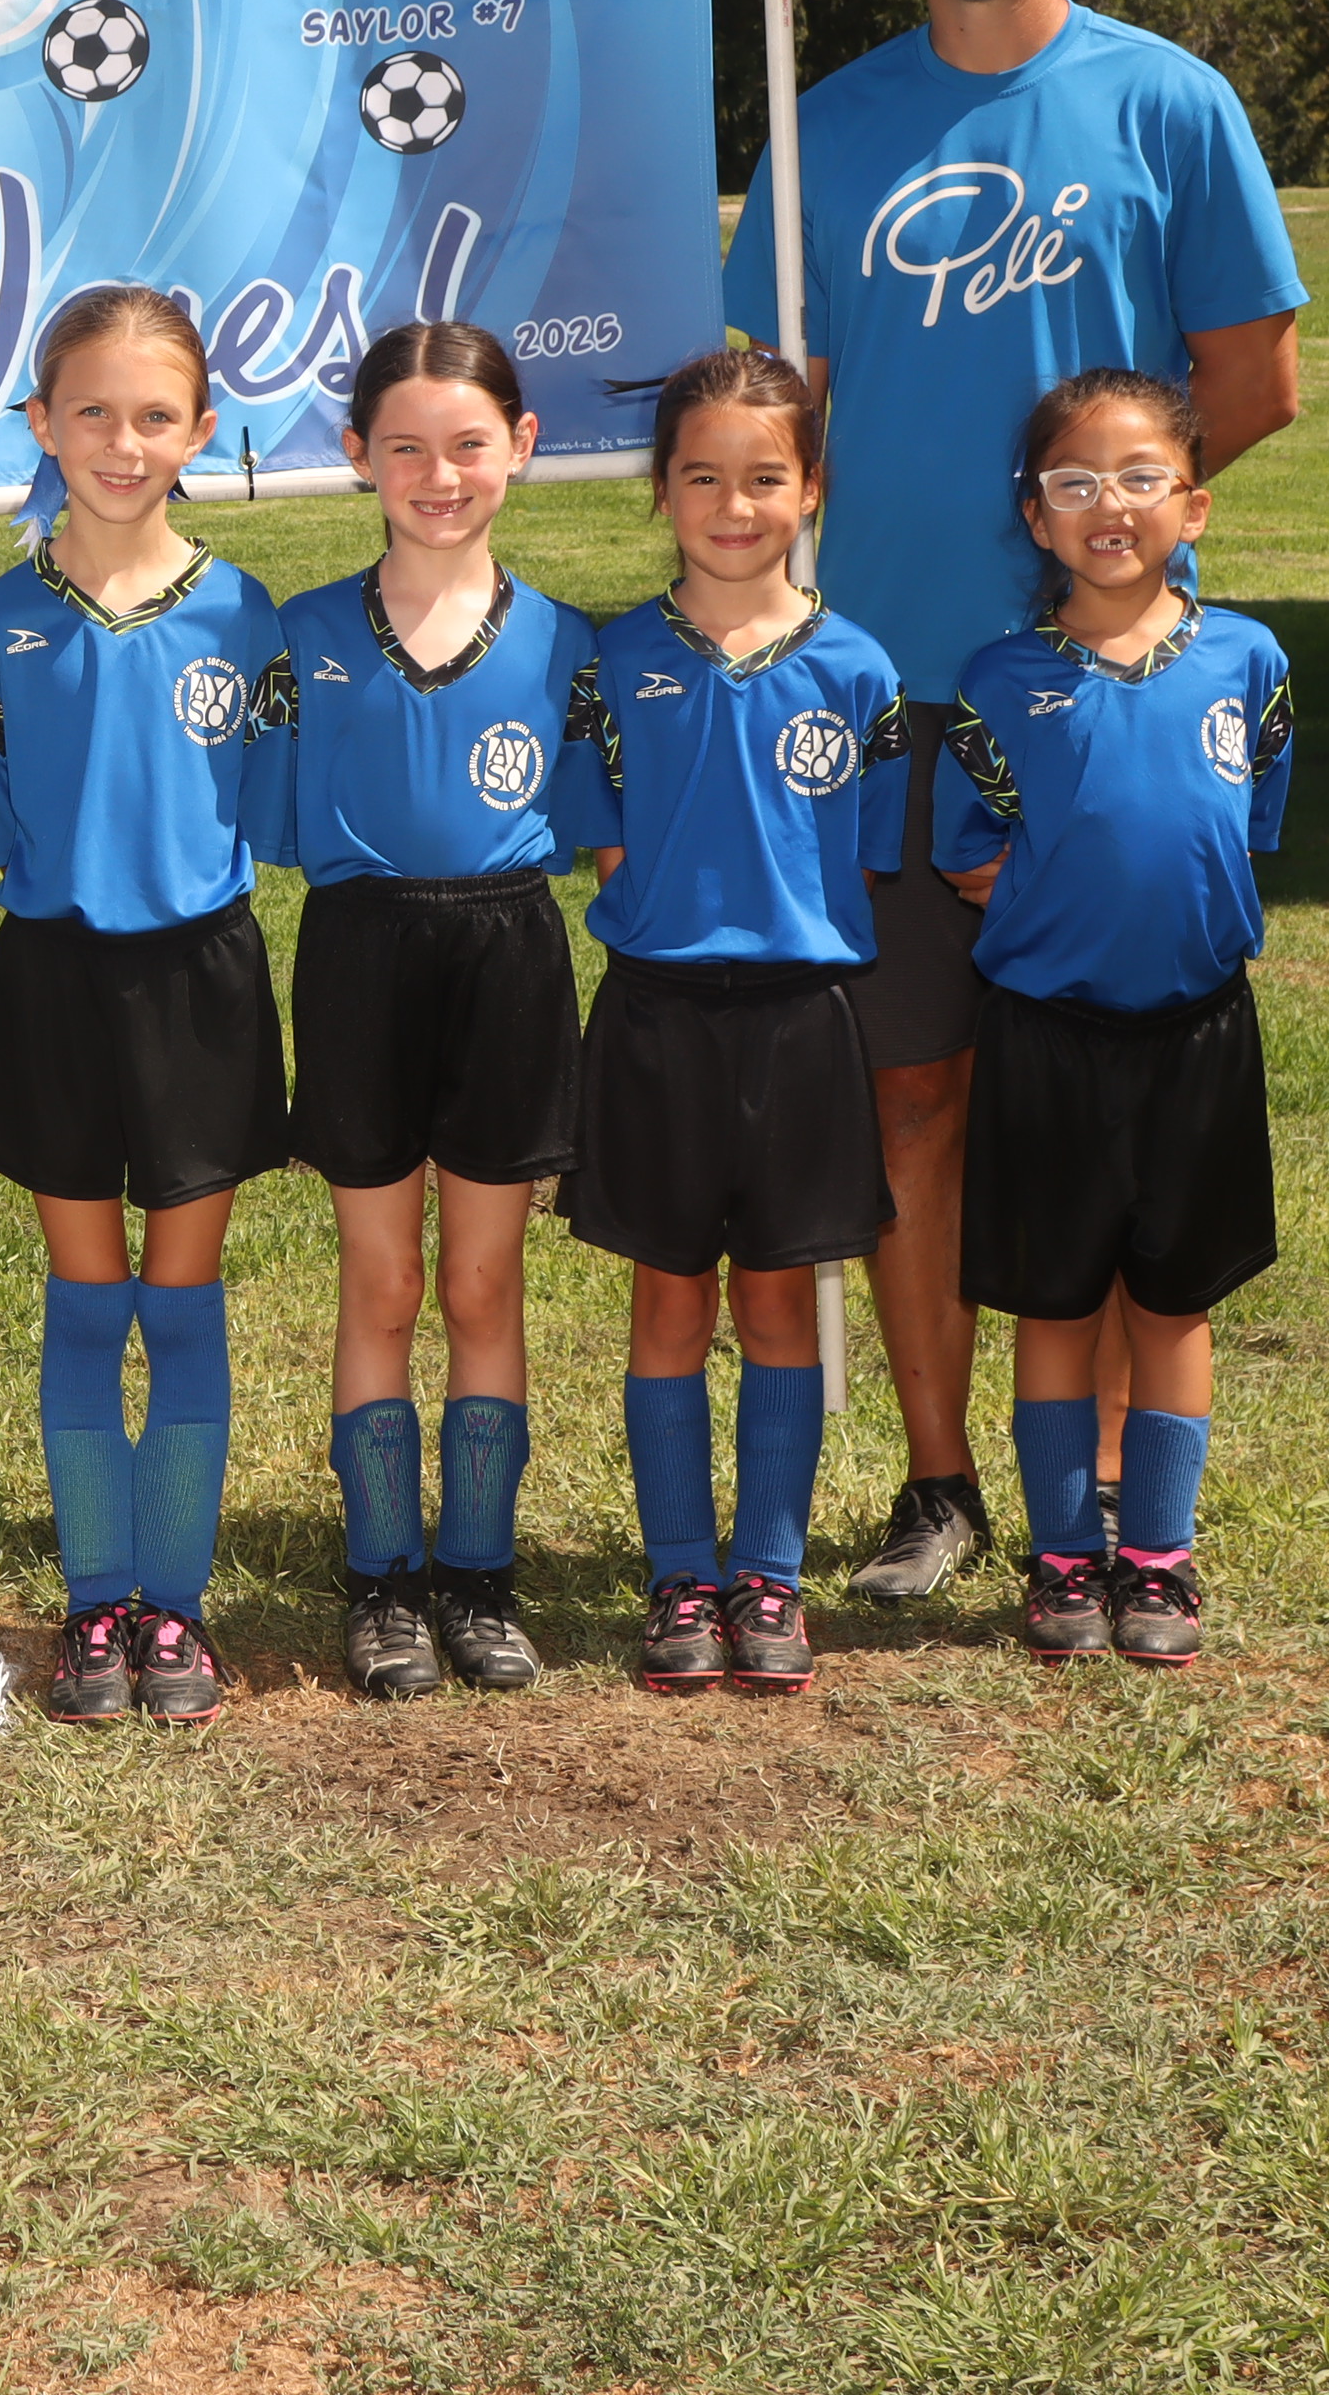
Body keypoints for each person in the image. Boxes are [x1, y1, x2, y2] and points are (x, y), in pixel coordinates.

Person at [727, 0, 1305, 1606]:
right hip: (897, 698)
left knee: (1118, 1093)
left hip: (1109, 701)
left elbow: (1254, 379)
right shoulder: (829, 131)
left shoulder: (1168, 103)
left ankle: (1126, 1509)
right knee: (916, 1100)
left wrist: (1105, 536)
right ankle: (942, 1482)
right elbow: (780, 417)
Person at [0, 286, 294, 1729]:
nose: (122, 439)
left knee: (185, 1302)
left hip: (202, 981)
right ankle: (99, 1601)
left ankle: (179, 1607)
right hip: (56, 981)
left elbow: (266, 806)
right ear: (42, 422)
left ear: (200, 430)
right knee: (89, 1302)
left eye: (156, 415)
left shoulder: (243, 612)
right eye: (91, 410)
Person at [259, 324, 609, 1703]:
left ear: (520, 445)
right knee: (383, 1281)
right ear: (359, 456)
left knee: (481, 1281)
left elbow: (599, 828)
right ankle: (383, 1577)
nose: (438, 473)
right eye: (404, 446)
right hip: (361, 956)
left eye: (468, 444)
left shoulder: (570, 646)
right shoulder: (301, 635)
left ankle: (477, 1572)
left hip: (507, 956)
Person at [556, 349, 909, 1694]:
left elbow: (863, 853)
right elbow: (608, 843)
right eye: (701, 477)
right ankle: (679, 1575)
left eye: (765, 477)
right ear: (662, 491)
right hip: (656, 1018)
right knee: (667, 1297)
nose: (734, 505)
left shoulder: (859, 669)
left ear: (811, 488)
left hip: (801, 1020)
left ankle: (767, 1574)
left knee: (776, 1301)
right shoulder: (615, 660)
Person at [934, 370, 1295, 1670]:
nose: (1111, 504)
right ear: (1035, 517)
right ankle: (1062, 1556)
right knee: (1054, 1305)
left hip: (1198, 1033)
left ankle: (1157, 1555)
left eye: (1142, 477)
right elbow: (969, 852)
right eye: (1075, 482)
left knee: (1173, 1303)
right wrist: (1063, 904)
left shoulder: (1250, 661)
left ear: (1193, 504)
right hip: (1046, 1037)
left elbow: (1249, 820)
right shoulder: (999, 681)